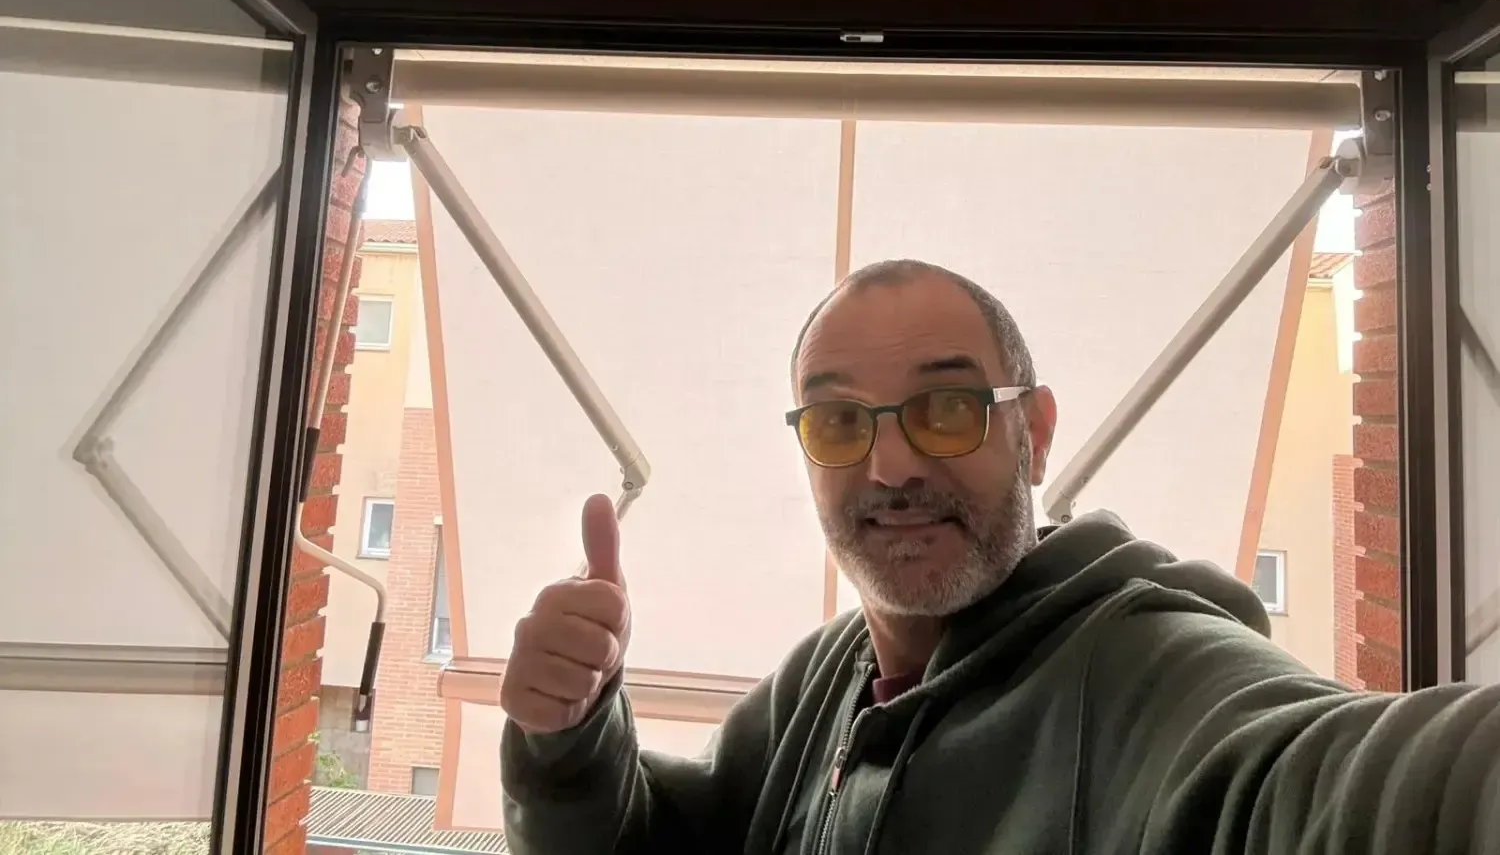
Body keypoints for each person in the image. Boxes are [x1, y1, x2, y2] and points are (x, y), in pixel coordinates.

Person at [498, 258, 1500, 854]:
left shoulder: (1153, 672)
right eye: (840, 421)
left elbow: (1323, 782)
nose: (889, 465)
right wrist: (574, 732)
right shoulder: (821, 682)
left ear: (1036, 432)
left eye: (947, 407)